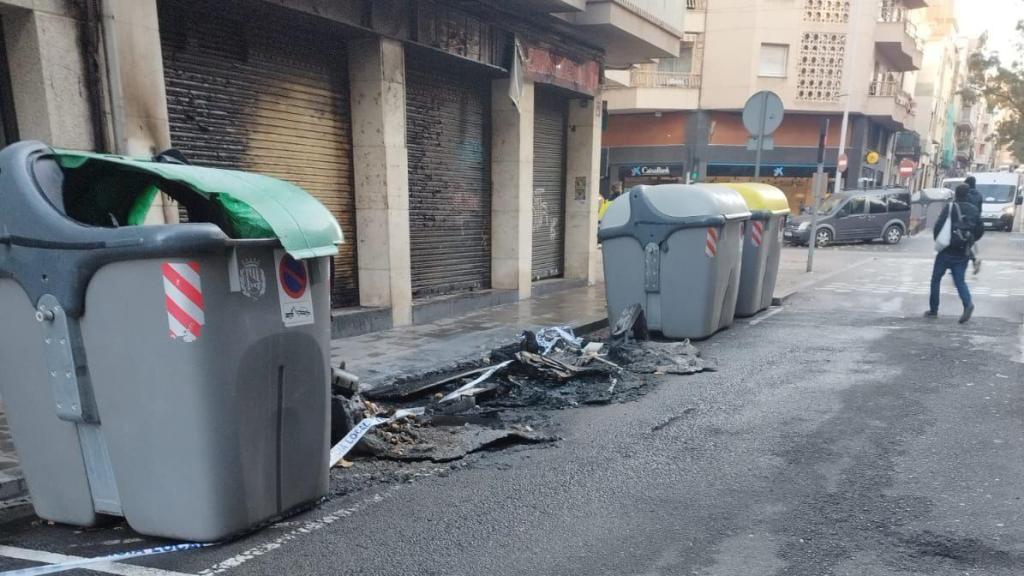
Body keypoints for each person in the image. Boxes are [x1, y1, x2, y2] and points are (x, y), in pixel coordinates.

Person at [926, 184, 983, 323]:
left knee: (936, 279)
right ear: (968, 194)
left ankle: (934, 310)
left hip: (946, 250)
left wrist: (939, 241)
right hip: (962, 252)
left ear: (956, 194)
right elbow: (980, 229)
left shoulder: (950, 207)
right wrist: (970, 241)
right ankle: (968, 304)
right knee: (960, 281)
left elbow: (939, 225)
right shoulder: (974, 210)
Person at [964, 175, 984, 274]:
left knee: (964, 245)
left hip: (966, 224)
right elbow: (980, 210)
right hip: (976, 224)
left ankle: (974, 260)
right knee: (967, 244)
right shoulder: (979, 195)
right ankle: (973, 261)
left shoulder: (966, 195)